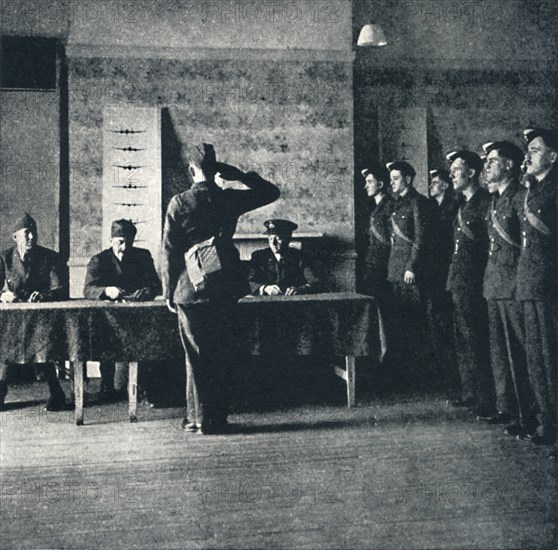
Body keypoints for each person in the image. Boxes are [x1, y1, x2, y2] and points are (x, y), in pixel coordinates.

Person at [161, 143, 279, 434]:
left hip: (190, 288)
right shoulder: (227, 199)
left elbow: (168, 252)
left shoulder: (179, 202)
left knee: (196, 356)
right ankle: (215, 418)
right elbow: (270, 193)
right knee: (221, 352)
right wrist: (237, 174)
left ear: (191, 170)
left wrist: (167, 292)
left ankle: (197, 419)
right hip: (224, 285)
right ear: (215, 169)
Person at [478, 141, 536, 437]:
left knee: (522, 353)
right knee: (501, 353)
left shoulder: (520, 198)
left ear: (510, 165)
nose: (486, 166)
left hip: (514, 285)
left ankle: (531, 414)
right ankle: (510, 408)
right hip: (495, 285)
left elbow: (528, 248)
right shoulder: (496, 200)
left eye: (492, 160)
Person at [83, 219, 161, 401]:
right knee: (104, 339)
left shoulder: (142, 256)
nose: (124, 247)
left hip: (137, 315)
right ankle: (107, 386)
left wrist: (147, 291)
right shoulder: (99, 260)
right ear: (111, 241)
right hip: (109, 316)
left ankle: (144, 386)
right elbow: (87, 289)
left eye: (128, 242)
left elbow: (155, 284)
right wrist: (106, 291)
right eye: (119, 242)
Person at [0, 213, 68, 411]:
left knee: (42, 343)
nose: (32, 237)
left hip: (42, 320)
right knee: (4, 342)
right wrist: (2, 296)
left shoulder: (50, 258)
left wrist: (44, 296)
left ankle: (56, 392)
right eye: (27, 233)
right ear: (15, 237)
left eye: (34, 233)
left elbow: (60, 289)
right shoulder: (4, 259)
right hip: (12, 320)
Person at [516, 128, 557, 445]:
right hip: (529, 283)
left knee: (551, 356)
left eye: (536, 149)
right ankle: (547, 421)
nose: (528, 155)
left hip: (549, 284)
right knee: (536, 360)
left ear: (553, 156)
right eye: (527, 150)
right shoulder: (531, 190)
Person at [445, 150, 494, 415]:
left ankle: (486, 398)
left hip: (475, 281)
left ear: (472, 172)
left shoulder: (484, 202)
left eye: (457, 168)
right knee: (463, 339)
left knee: (477, 340)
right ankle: (471, 392)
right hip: (460, 280)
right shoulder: (462, 203)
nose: (452, 173)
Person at [386, 160, 434, 384]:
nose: (392, 182)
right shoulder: (397, 204)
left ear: (408, 179)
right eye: (391, 178)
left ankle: (420, 373)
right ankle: (406, 373)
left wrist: (411, 267)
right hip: (396, 271)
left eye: (396, 178)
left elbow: (421, 239)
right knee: (401, 321)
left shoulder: (418, 202)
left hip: (409, 273)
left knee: (415, 323)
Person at [427, 169, 459, 395]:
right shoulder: (435, 208)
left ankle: (453, 379)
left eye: (436, 182)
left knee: (448, 324)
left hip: (445, 271)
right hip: (436, 273)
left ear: (446, 186)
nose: (432, 185)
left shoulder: (452, 207)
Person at [248, 219, 319, 296]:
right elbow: (251, 280)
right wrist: (265, 288)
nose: (273, 243)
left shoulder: (300, 257)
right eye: (271, 239)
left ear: (288, 239)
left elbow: (315, 281)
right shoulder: (259, 256)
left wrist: (300, 289)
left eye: (278, 239)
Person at [362, 164, 393, 298]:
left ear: (380, 184)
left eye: (370, 182)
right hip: (374, 261)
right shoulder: (374, 207)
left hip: (385, 262)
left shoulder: (390, 205)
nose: (366, 186)